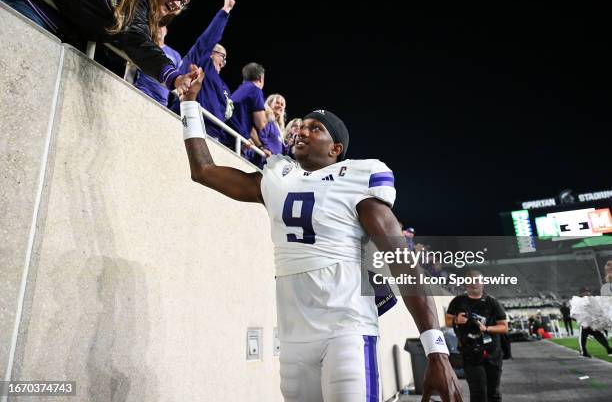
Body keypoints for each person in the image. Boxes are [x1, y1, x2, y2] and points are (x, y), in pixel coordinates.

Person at [179, 66, 463, 402]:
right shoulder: (277, 179)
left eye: (316, 128)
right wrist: (189, 104)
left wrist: (437, 352)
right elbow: (204, 171)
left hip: (347, 331)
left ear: (336, 149)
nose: (301, 130)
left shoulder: (358, 182)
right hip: (294, 337)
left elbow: (405, 265)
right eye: (302, 125)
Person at [2, 0, 193, 94]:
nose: (177, 4)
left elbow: (136, 38)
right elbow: (138, 40)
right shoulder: (134, 1)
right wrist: (173, 77)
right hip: (33, 10)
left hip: (50, 29)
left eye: (183, 3)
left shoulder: (138, 6)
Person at [170, 0, 235, 146]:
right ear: (211, 53)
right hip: (191, 125)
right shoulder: (202, 63)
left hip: (214, 138)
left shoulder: (225, 87)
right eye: (222, 58)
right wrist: (225, 11)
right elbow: (207, 40)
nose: (223, 64)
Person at [446, 269, 507, 402]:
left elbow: (504, 327)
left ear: (483, 283)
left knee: (493, 392)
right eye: (470, 281)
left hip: (492, 353)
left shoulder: (492, 303)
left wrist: (487, 328)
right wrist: (456, 320)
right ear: (465, 284)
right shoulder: (457, 301)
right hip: (470, 353)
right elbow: (447, 321)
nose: (474, 284)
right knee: (477, 392)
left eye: (477, 280)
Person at [131, 26, 181, 106]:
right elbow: (131, 68)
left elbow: (177, 79)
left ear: (166, 31)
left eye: (162, 26)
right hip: (141, 92)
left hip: (161, 102)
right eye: (156, 26)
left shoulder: (176, 55)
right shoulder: (145, 46)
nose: (159, 29)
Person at [228, 62, 267, 145]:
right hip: (235, 142)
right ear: (260, 78)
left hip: (227, 135)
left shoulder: (237, 91)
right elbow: (261, 124)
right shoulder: (255, 90)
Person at [250, 94, 287, 167]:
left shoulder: (277, 126)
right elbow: (261, 133)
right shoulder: (266, 117)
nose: (280, 106)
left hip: (273, 167)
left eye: (282, 105)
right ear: (269, 103)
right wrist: (265, 148)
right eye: (277, 102)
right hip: (262, 162)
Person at [576, 288, 612, 358]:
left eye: (588, 292)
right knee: (582, 339)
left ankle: (609, 350)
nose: (588, 293)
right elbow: (575, 313)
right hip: (585, 324)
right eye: (586, 292)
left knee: (601, 337)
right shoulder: (578, 301)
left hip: (593, 323)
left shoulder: (592, 300)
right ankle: (583, 352)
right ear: (581, 293)